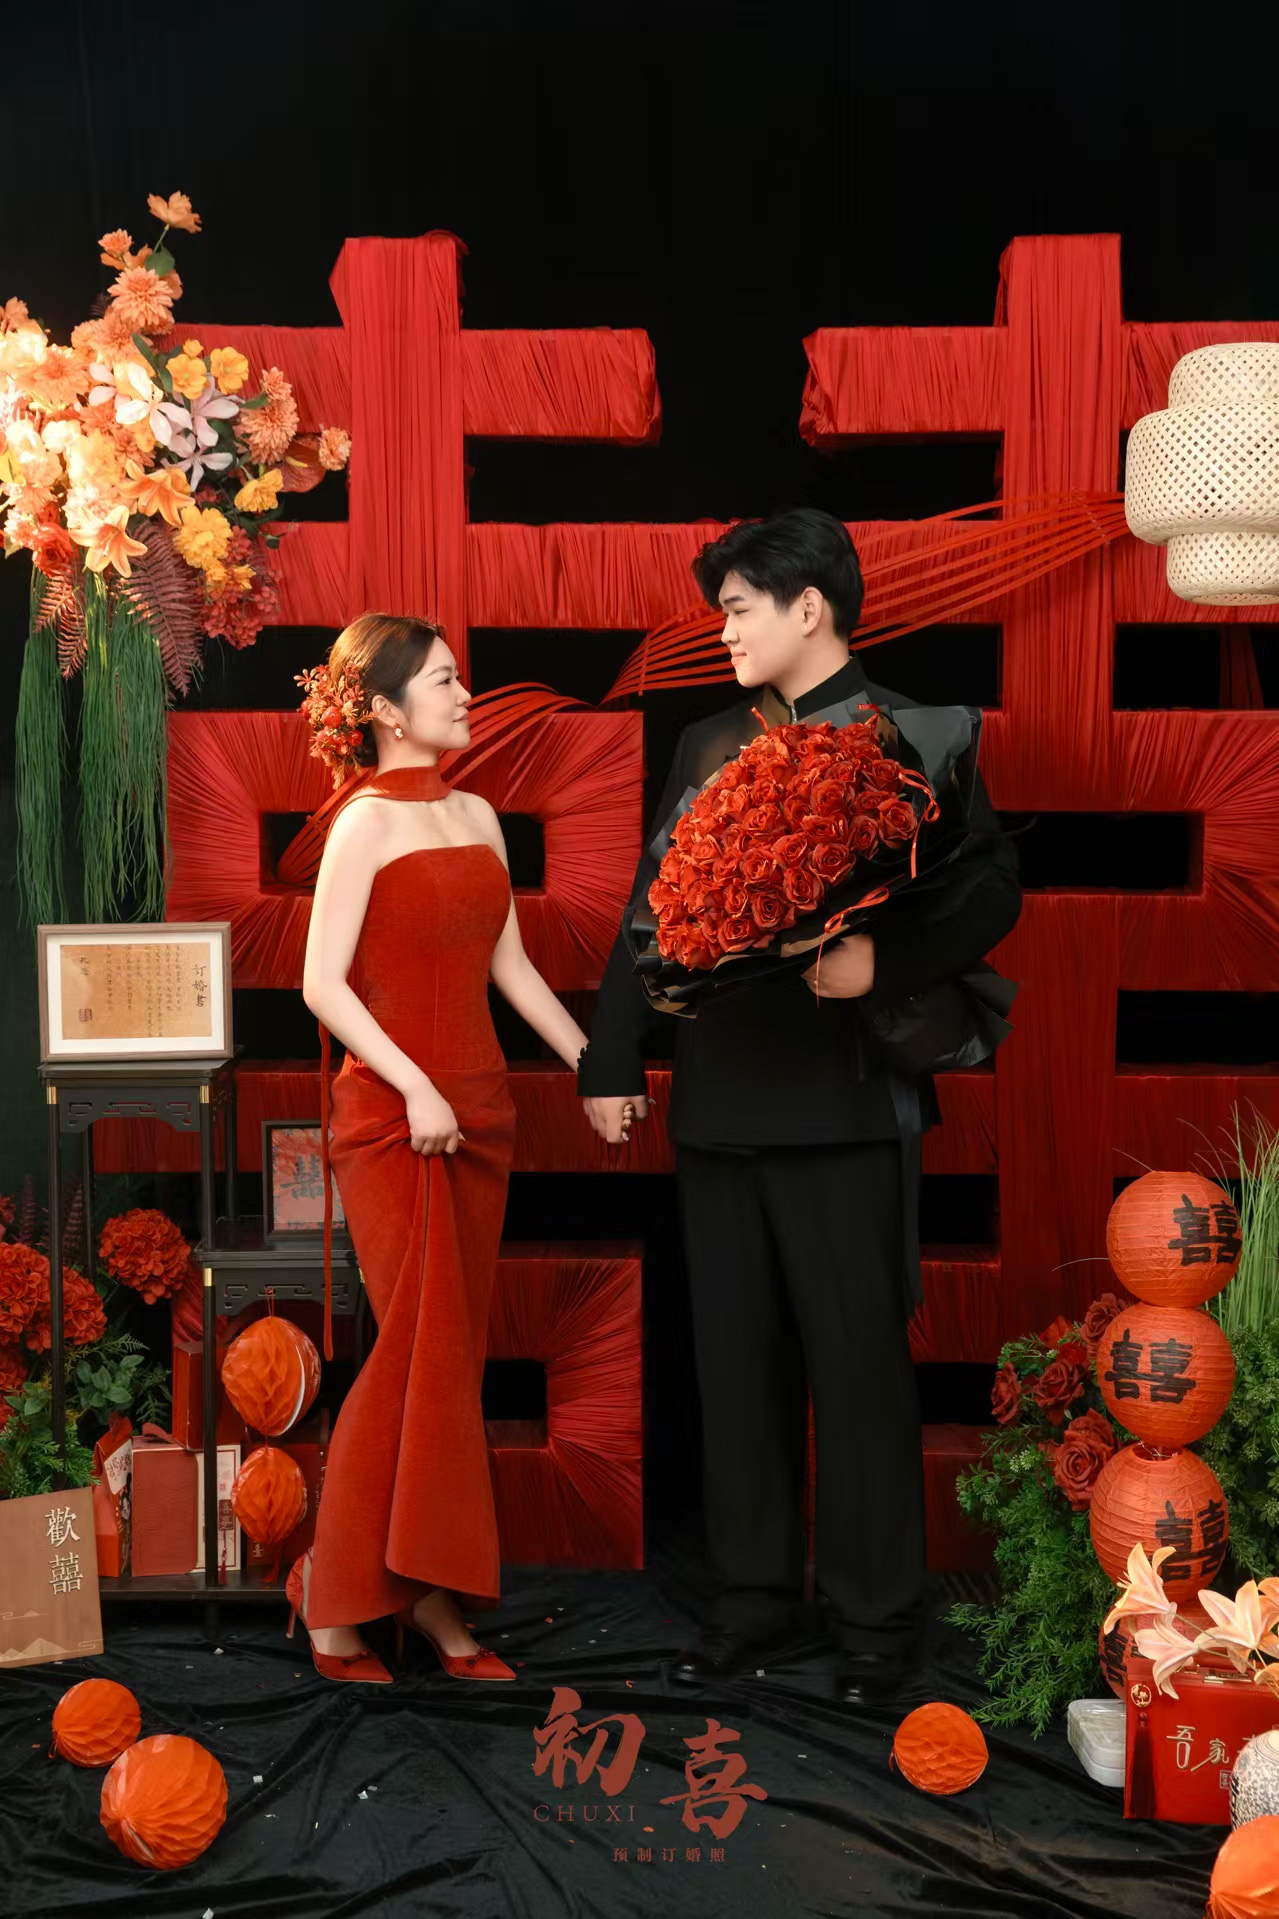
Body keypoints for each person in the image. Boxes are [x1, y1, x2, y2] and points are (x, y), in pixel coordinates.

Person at [578, 509, 1022, 1706]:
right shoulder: (710, 739)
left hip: (844, 1107)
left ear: (808, 607)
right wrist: (611, 1058)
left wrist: (884, 960)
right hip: (720, 1103)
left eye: (737, 608)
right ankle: (754, 1599)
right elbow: (649, 907)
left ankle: (877, 1622)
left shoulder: (912, 733)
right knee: (735, 1368)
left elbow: (992, 892)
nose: (722, 631)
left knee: (858, 1368)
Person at [292, 612, 592, 1683]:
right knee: (413, 1351)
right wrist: (413, 1083)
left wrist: (592, 1063)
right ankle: (338, 1600)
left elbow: (510, 968)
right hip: (392, 1120)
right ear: (382, 707)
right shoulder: (360, 824)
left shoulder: (476, 814)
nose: (467, 695)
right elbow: (320, 984)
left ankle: (421, 1591)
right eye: (445, 680)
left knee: (448, 1361)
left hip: (479, 1114)